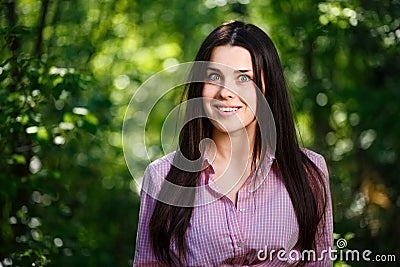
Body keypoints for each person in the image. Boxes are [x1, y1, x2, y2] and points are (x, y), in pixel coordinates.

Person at [133, 21, 333, 266]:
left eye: (243, 78)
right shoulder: (161, 176)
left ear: (268, 88)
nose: (225, 92)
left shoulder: (309, 171)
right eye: (215, 76)